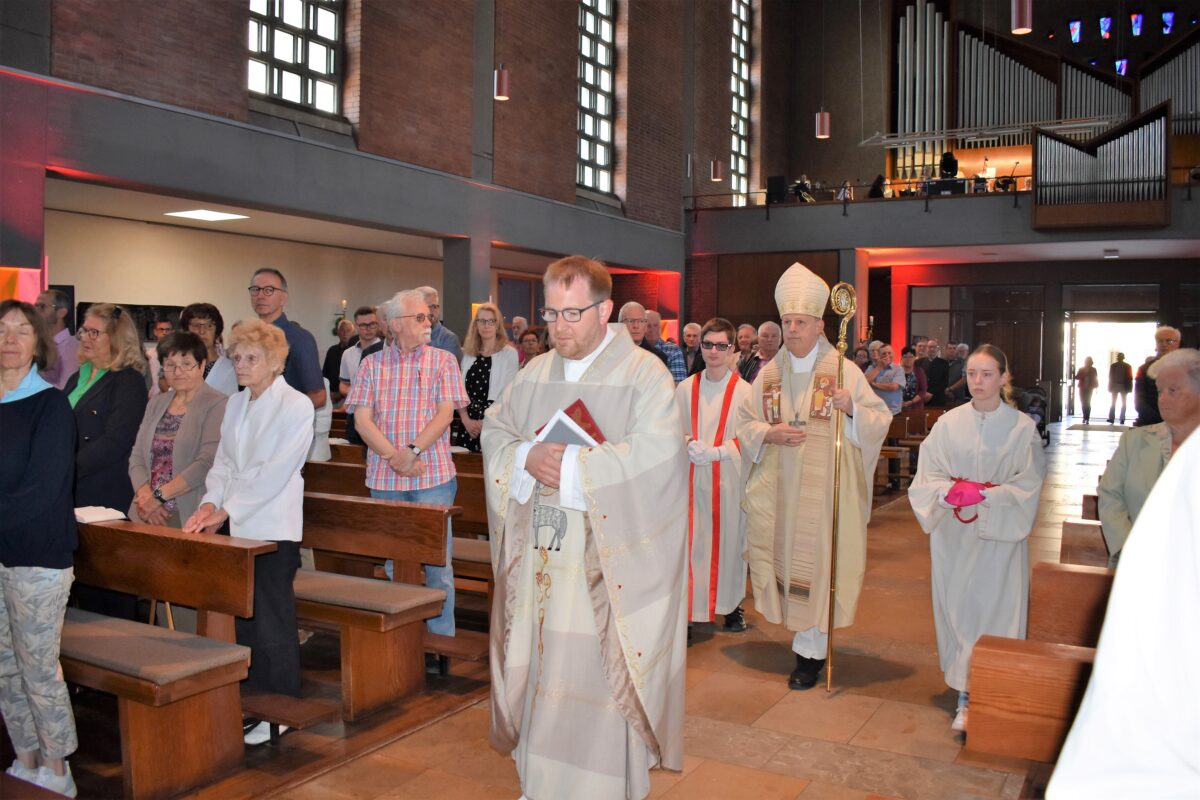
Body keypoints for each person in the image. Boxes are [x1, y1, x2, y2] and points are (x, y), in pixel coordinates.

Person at [482, 255, 687, 799]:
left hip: (603, 575)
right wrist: (525, 457)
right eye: (551, 314)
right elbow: (495, 432)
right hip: (539, 567)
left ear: (606, 310)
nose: (558, 327)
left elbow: (659, 456)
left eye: (573, 314)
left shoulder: (644, 374)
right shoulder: (533, 373)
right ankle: (538, 786)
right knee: (540, 677)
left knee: (595, 687)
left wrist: (570, 466)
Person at [736, 262, 890, 691]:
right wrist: (770, 432)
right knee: (791, 567)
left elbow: (880, 417)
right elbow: (743, 425)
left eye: (799, 322)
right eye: (786, 322)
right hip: (781, 492)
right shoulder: (766, 375)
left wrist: (853, 408)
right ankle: (804, 644)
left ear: (820, 325)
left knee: (820, 567)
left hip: (824, 497)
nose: (791, 330)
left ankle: (810, 655)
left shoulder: (844, 372)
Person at [1046, 432, 1200, 799]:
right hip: (1139, 573)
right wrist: (1135, 548)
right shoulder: (1151, 445)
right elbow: (1111, 496)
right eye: (1163, 389)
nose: (1168, 397)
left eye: (1178, 388)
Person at [183, 319, 313, 745]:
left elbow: (275, 472)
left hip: (273, 526)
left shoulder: (295, 406)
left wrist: (224, 510)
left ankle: (278, 710)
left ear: (274, 362)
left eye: (250, 357)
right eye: (236, 357)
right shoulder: (236, 404)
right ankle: (252, 703)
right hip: (234, 525)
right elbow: (224, 464)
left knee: (273, 620)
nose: (240, 364)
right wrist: (207, 503)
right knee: (244, 619)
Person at [908, 345, 1046, 733]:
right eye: (972, 374)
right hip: (955, 532)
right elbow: (928, 474)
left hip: (1001, 533)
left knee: (996, 609)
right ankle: (965, 690)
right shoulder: (949, 423)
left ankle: (991, 688)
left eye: (987, 374)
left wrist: (986, 494)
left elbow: (1029, 483)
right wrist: (946, 492)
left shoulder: (1021, 428)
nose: (978, 382)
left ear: (1004, 378)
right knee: (959, 609)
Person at [344, 290, 468, 637]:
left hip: (433, 477)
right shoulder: (372, 364)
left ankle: (439, 640)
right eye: (419, 318)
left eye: (428, 317)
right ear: (396, 324)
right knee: (390, 560)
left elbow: (445, 415)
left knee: (437, 565)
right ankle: (402, 636)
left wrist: (411, 452)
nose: (428, 323)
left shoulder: (443, 360)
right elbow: (362, 421)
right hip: (386, 479)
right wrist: (394, 457)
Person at [0, 300, 80, 797]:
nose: (9, 340)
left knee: (37, 667)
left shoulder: (50, 406)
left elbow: (42, 489)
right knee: (2, 664)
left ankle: (56, 767)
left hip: (37, 557)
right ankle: (24, 754)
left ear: (38, 344)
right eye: (1, 330)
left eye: (21, 331)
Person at [675, 318, 751, 633]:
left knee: (730, 544)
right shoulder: (685, 388)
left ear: (732, 349)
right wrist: (687, 443)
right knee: (692, 544)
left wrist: (718, 452)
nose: (714, 352)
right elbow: (670, 427)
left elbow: (751, 436)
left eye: (721, 345)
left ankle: (731, 607)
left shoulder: (745, 392)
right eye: (708, 345)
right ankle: (691, 612)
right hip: (690, 478)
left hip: (728, 480)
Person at [1097, 348, 1200, 565]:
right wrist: (1130, 550)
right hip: (1136, 567)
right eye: (1160, 390)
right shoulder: (1135, 441)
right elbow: (1110, 495)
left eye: (1173, 390)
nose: (1163, 398)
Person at [129, 332, 227, 529]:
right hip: (145, 512)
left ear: (201, 365)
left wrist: (158, 497)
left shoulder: (218, 403)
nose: (178, 371)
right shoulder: (156, 403)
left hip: (190, 513)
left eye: (186, 364)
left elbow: (206, 462)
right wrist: (145, 495)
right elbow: (137, 456)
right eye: (170, 365)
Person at [249, 268, 326, 409]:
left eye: (269, 290)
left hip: (285, 425)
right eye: (255, 289)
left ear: (283, 298)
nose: (260, 295)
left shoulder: (300, 339)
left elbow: (318, 396)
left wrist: (281, 414)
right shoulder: (249, 337)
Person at [455, 302, 518, 453]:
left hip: (495, 422)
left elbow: (509, 394)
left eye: (491, 321)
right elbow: (459, 391)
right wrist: (465, 420)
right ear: (476, 325)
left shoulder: (509, 354)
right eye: (482, 321)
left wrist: (485, 422)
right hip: (468, 423)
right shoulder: (468, 354)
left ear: (497, 325)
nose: (486, 325)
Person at [181, 303, 238, 395]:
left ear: (217, 331)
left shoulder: (231, 369)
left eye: (209, 326)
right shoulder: (180, 368)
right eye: (196, 325)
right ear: (186, 330)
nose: (202, 331)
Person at [1134, 326, 1182, 426]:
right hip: (1152, 425)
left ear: (1178, 344)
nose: (1164, 344)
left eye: (1169, 341)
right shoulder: (1144, 369)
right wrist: (1160, 422)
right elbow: (1140, 401)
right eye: (1160, 341)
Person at [33, 290, 78, 390]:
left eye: (42, 306)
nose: (36, 311)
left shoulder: (71, 347)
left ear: (61, 312)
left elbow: (66, 388)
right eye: (35, 306)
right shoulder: (36, 343)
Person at [337, 306, 383, 399]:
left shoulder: (386, 351)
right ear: (356, 326)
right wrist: (352, 391)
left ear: (377, 324)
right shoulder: (347, 353)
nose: (368, 329)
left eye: (372, 324)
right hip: (355, 407)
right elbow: (343, 384)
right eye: (363, 325)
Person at [415, 285, 462, 362]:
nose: (430, 311)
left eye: (434, 306)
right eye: (426, 306)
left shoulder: (448, 339)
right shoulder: (409, 336)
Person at [618, 301, 670, 370]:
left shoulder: (658, 357)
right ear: (620, 325)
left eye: (641, 321)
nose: (636, 326)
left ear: (645, 326)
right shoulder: (609, 354)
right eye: (630, 321)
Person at [644, 309, 687, 382]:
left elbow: (679, 384)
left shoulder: (673, 350)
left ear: (660, 327)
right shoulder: (635, 349)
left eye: (655, 325)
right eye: (648, 326)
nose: (652, 329)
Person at [865, 343, 905, 415]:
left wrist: (875, 385)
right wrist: (879, 367)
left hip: (893, 411)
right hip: (875, 411)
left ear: (894, 354)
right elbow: (865, 382)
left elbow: (894, 387)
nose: (887, 355)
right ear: (879, 356)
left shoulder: (898, 369)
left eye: (889, 353)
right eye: (884, 353)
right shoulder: (871, 368)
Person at [323, 318, 357, 405]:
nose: (345, 333)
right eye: (342, 330)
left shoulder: (357, 352)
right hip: (331, 395)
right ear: (338, 332)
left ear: (353, 333)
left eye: (348, 330)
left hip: (349, 397)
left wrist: (340, 394)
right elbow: (324, 374)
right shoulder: (332, 350)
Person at [145, 316, 175, 399]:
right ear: (155, 332)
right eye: (161, 329)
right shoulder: (148, 355)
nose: (164, 332)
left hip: (170, 399)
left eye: (168, 329)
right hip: (148, 400)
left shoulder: (178, 357)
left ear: (172, 332)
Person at [899, 345, 930, 413]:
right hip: (898, 406)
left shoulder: (919, 371)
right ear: (901, 358)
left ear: (914, 358)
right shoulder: (897, 371)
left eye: (910, 357)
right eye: (905, 357)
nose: (908, 359)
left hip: (915, 407)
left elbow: (923, 390)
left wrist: (912, 401)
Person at [1107, 352, 1133, 424]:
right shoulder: (1115, 366)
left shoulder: (1126, 366)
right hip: (1117, 385)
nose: (1120, 358)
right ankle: (1114, 418)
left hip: (1123, 385)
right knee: (1116, 403)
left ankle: (1120, 418)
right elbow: (1110, 377)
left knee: (1120, 403)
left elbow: (1130, 378)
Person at [924, 338, 950, 407]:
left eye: (934, 347)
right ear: (926, 348)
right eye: (929, 347)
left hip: (938, 398)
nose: (932, 349)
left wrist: (931, 393)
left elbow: (945, 382)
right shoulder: (918, 362)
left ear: (937, 349)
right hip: (922, 397)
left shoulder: (944, 363)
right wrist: (924, 392)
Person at [1074, 356, 1098, 424]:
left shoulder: (1093, 369)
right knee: (1083, 403)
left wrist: (1095, 385)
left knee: (1087, 403)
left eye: (1089, 362)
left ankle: (1087, 418)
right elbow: (1077, 377)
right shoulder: (1081, 369)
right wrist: (1083, 375)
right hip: (1082, 388)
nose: (1088, 363)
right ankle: (1084, 416)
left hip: (1089, 388)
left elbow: (1095, 377)